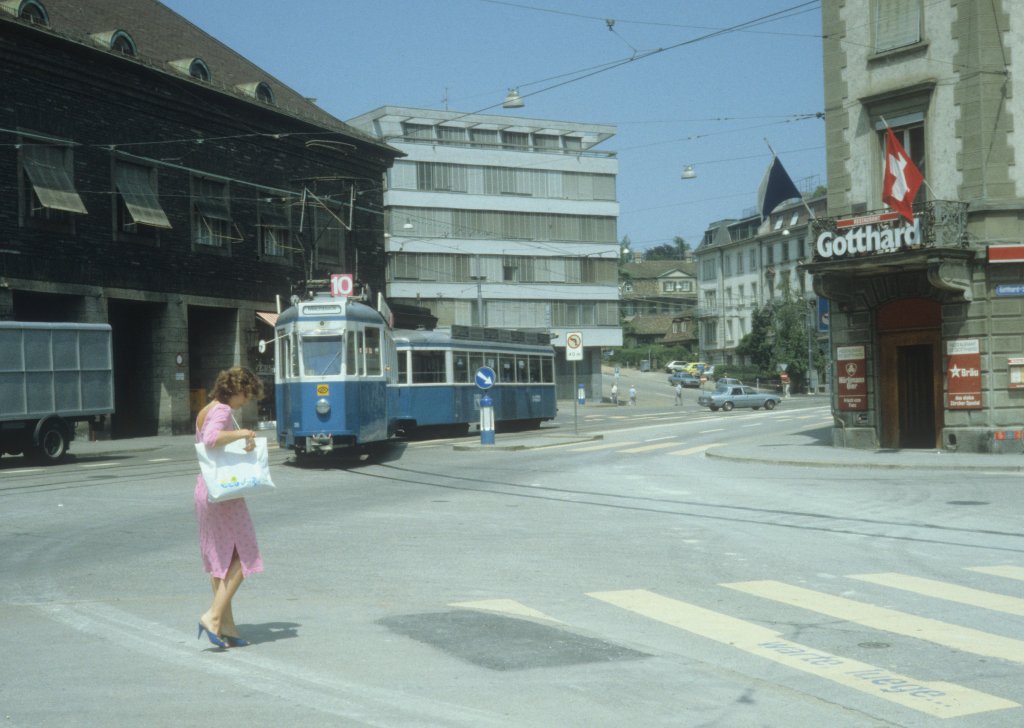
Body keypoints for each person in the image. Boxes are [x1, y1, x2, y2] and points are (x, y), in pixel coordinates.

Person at [194, 367, 265, 649]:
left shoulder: (207, 408)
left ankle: (226, 625)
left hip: (206, 489)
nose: (246, 401)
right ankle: (212, 617)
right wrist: (243, 434)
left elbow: (209, 444)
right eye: (246, 394)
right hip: (223, 495)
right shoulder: (222, 410)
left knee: (221, 559)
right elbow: (212, 439)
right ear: (235, 389)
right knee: (245, 555)